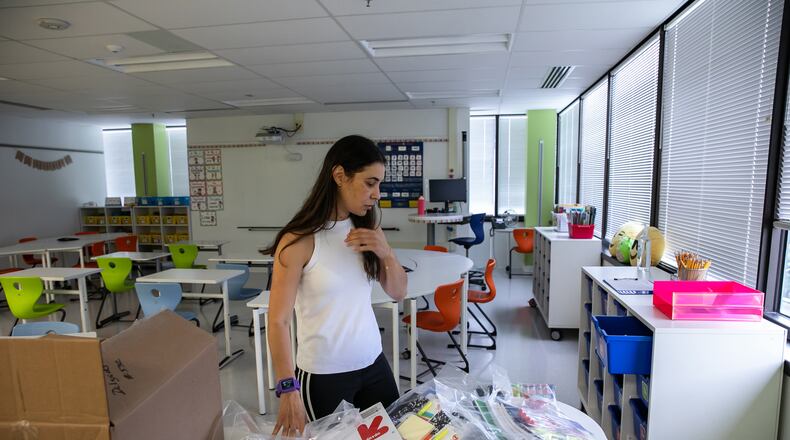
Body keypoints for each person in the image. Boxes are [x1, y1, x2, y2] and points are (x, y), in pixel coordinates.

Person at [262, 135, 408, 437]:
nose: (377, 194)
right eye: (370, 183)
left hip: (374, 363)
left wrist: (386, 253)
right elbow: (278, 321)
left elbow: (398, 291)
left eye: (379, 184)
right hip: (325, 376)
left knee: (394, 435)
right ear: (340, 175)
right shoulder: (298, 241)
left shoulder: (368, 228)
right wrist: (287, 388)